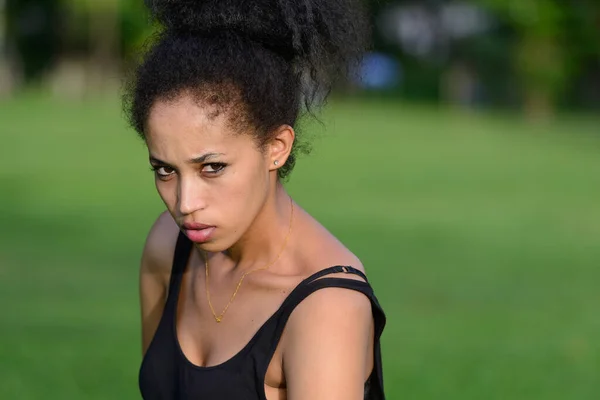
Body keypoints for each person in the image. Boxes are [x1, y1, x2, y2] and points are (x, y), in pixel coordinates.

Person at [124, 0, 386, 398]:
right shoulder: (168, 247)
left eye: (212, 167)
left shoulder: (326, 308)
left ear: (276, 146)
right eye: (165, 170)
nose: (184, 203)